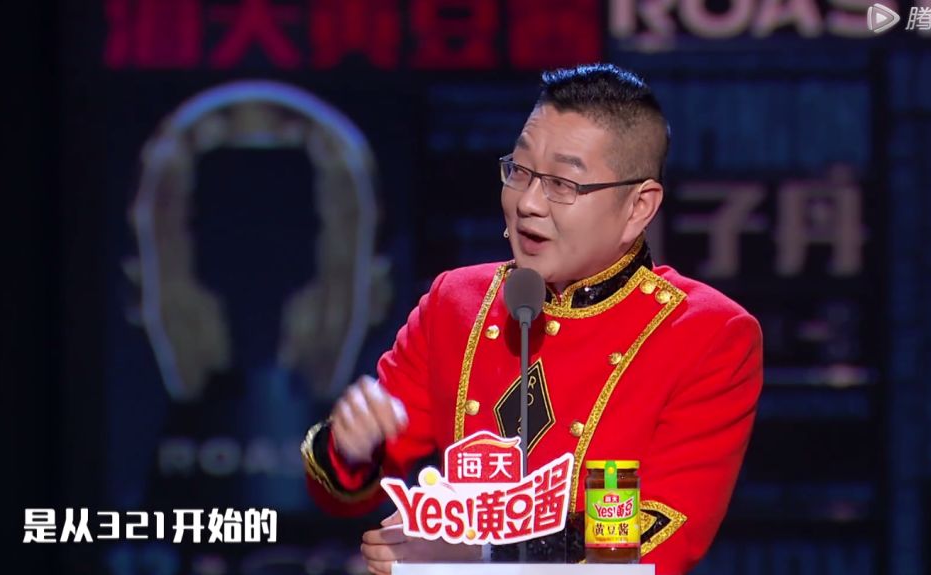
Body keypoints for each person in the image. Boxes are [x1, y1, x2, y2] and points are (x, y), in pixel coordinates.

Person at [301, 63, 763, 575]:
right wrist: (351, 447)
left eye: (563, 183)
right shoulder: (456, 302)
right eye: (519, 171)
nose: (528, 203)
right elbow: (341, 493)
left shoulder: (707, 334)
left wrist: (479, 556)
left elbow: (657, 535)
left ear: (638, 207)